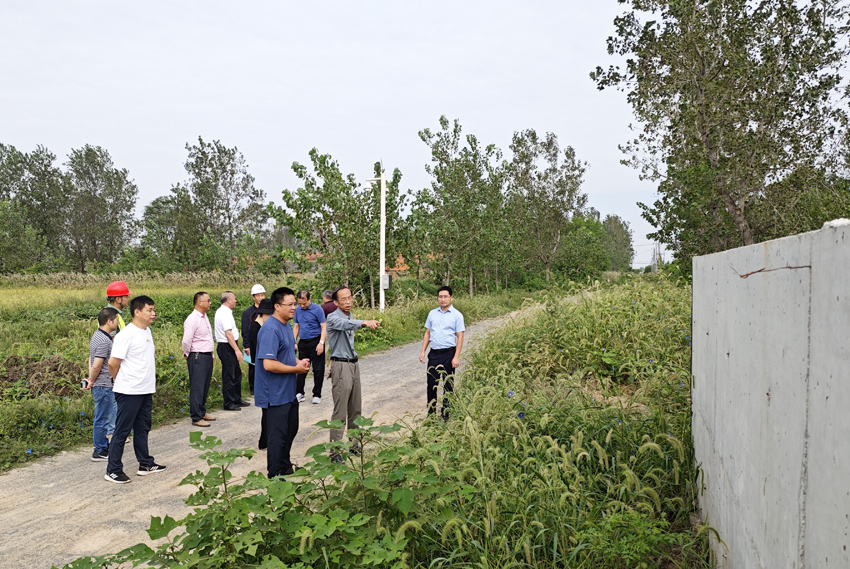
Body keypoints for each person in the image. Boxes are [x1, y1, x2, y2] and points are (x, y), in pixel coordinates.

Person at [105, 295, 166, 483]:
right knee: (122, 430)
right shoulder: (126, 334)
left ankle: (145, 463)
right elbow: (113, 363)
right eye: (149, 310)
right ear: (137, 312)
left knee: (143, 427)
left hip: (145, 389)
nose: (153, 313)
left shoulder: (147, 332)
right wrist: (119, 380)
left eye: (154, 310)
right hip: (129, 390)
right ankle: (113, 469)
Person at [254, 287, 310, 478]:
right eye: (290, 305)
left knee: (291, 429)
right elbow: (269, 364)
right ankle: (275, 474)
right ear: (277, 307)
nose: (294, 308)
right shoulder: (270, 329)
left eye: (295, 304)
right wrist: (296, 369)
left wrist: (298, 362)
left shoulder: (286, 326)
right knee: (277, 436)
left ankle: (285, 466)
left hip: (288, 390)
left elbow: (285, 356)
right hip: (274, 393)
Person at [325, 286, 380, 462]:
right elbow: (344, 325)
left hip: (354, 364)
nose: (348, 302)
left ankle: (355, 444)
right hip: (341, 367)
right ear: (335, 302)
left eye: (350, 298)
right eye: (343, 299)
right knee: (340, 411)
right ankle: (335, 451)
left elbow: (349, 325)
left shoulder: (350, 315)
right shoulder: (333, 317)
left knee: (355, 408)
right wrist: (364, 322)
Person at [419, 286, 465, 420]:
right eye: (440, 297)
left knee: (448, 385)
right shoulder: (432, 314)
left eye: (445, 296)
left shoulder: (457, 315)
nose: (443, 299)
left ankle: (445, 415)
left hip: (449, 354)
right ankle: (431, 414)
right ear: (438, 298)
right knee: (431, 385)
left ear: (451, 297)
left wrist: (456, 357)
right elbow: (427, 333)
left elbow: (460, 336)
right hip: (434, 354)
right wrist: (423, 351)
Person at [82, 307, 120, 461]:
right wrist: (92, 380)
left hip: (102, 384)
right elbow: (97, 364)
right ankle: (99, 450)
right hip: (104, 385)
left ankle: (103, 445)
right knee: (102, 418)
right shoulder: (104, 340)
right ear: (109, 321)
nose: (118, 322)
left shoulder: (97, 336)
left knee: (102, 417)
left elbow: (92, 360)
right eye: (116, 319)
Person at [182, 291, 216, 428]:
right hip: (197, 355)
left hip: (206, 355)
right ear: (199, 303)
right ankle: (196, 416)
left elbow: (208, 337)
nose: (210, 303)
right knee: (197, 386)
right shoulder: (192, 319)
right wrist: (187, 354)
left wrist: (212, 355)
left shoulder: (204, 316)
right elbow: (186, 340)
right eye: (207, 300)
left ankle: (201, 412)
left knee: (204, 385)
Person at [215, 291, 248, 411]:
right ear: (228, 300)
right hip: (227, 346)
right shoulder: (224, 313)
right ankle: (228, 402)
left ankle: (236, 398)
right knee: (229, 375)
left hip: (230, 345)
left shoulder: (226, 312)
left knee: (237, 374)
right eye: (234, 299)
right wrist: (236, 350)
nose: (235, 301)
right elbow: (228, 333)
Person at [248, 298, 274, 449]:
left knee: (269, 410)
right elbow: (257, 354)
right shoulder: (256, 328)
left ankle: (265, 440)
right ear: (264, 313)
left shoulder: (261, 325)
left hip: (264, 369)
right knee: (267, 408)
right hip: (262, 370)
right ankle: (264, 441)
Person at [293, 290, 327, 404]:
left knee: (318, 369)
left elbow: (323, 326)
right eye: (300, 303)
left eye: (304, 303)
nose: (302, 306)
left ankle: (317, 394)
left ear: (309, 299)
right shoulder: (298, 310)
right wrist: (294, 341)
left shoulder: (318, 309)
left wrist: (321, 343)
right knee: (301, 367)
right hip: (303, 343)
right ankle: (299, 393)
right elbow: (296, 326)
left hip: (316, 341)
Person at [241, 284, 266, 395]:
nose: (260, 297)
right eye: (258, 295)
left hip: (265, 342)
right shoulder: (248, 313)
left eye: (262, 295)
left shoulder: (267, 311)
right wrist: (247, 345)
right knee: (253, 366)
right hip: (253, 342)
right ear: (253, 297)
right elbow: (245, 330)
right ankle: (253, 388)